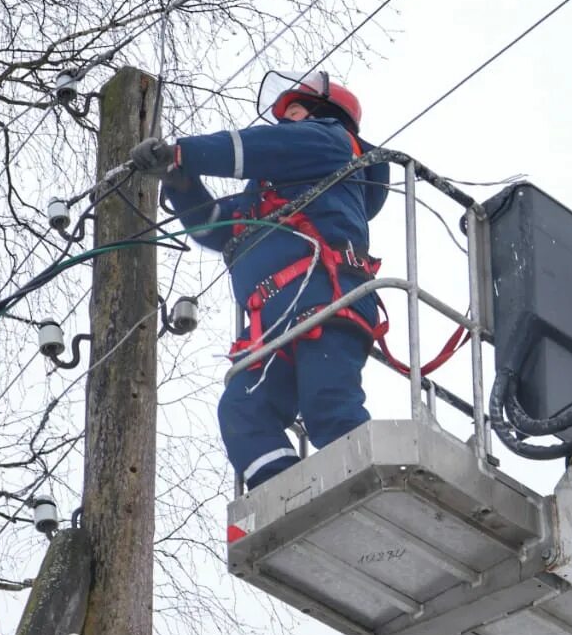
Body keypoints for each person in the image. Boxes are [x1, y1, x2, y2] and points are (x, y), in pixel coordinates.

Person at [130, 72, 389, 490]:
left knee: (328, 406)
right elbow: (215, 228)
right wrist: (180, 180)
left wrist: (184, 151)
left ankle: (375, 493)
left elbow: (254, 147)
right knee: (243, 411)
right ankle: (285, 495)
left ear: (326, 115)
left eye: (296, 111)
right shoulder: (267, 194)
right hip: (271, 326)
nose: (286, 123)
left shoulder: (330, 142)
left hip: (326, 299)